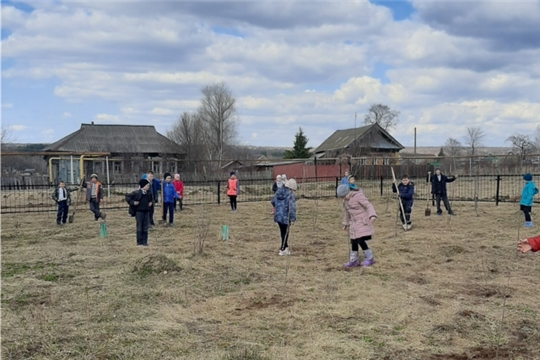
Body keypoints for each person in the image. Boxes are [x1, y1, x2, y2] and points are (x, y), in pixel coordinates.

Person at [337, 183, 377, 267]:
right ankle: (354, 260)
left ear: (349, 192)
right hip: (353, 223)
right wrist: (345, 223)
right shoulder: (345, 201)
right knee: (353, 241)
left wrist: (372, 215)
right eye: (342, 197)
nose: (344, 198)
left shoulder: (358, 196)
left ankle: (370, 258)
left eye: (345, 196)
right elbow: (347, 213)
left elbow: (368, 205)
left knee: (360, 240)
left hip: (362, 221)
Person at [271, 178, 297, 256]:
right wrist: (293, 219)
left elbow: (272, 201)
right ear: (291, 188)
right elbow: (292, 208)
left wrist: (278, 207)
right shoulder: (290, 195)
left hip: (278, 215)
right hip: (286, 216)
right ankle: (282, 249)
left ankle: (285, 246)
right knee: (285, 232)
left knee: (282, 231)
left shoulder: (278, 191)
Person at [126, 179, 153, 246]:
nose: (148, 187)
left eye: (149, 185)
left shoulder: (149, 193)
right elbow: (127, 197)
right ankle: (139, 242)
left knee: (145, 227)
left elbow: (151, 199)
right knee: (139, 226)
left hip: (146, 212)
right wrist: (133, 202)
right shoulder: (137, 193)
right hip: (139, 212)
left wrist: (150, 202)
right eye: (147, 185)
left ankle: (145, 241)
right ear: (143, 186)